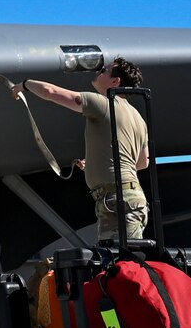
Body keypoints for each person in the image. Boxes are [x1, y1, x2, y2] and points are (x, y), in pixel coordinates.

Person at [14, 57, 152, 245]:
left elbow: (50, 92)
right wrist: (101, 163)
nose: (99, 72)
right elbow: (143, 162)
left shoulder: (103, 103)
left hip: (118, 200)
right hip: (123, 199)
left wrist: (24, 85)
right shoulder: (138, 118)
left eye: (104, 70)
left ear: (115, 81)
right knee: (119, 263)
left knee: (124, 265)